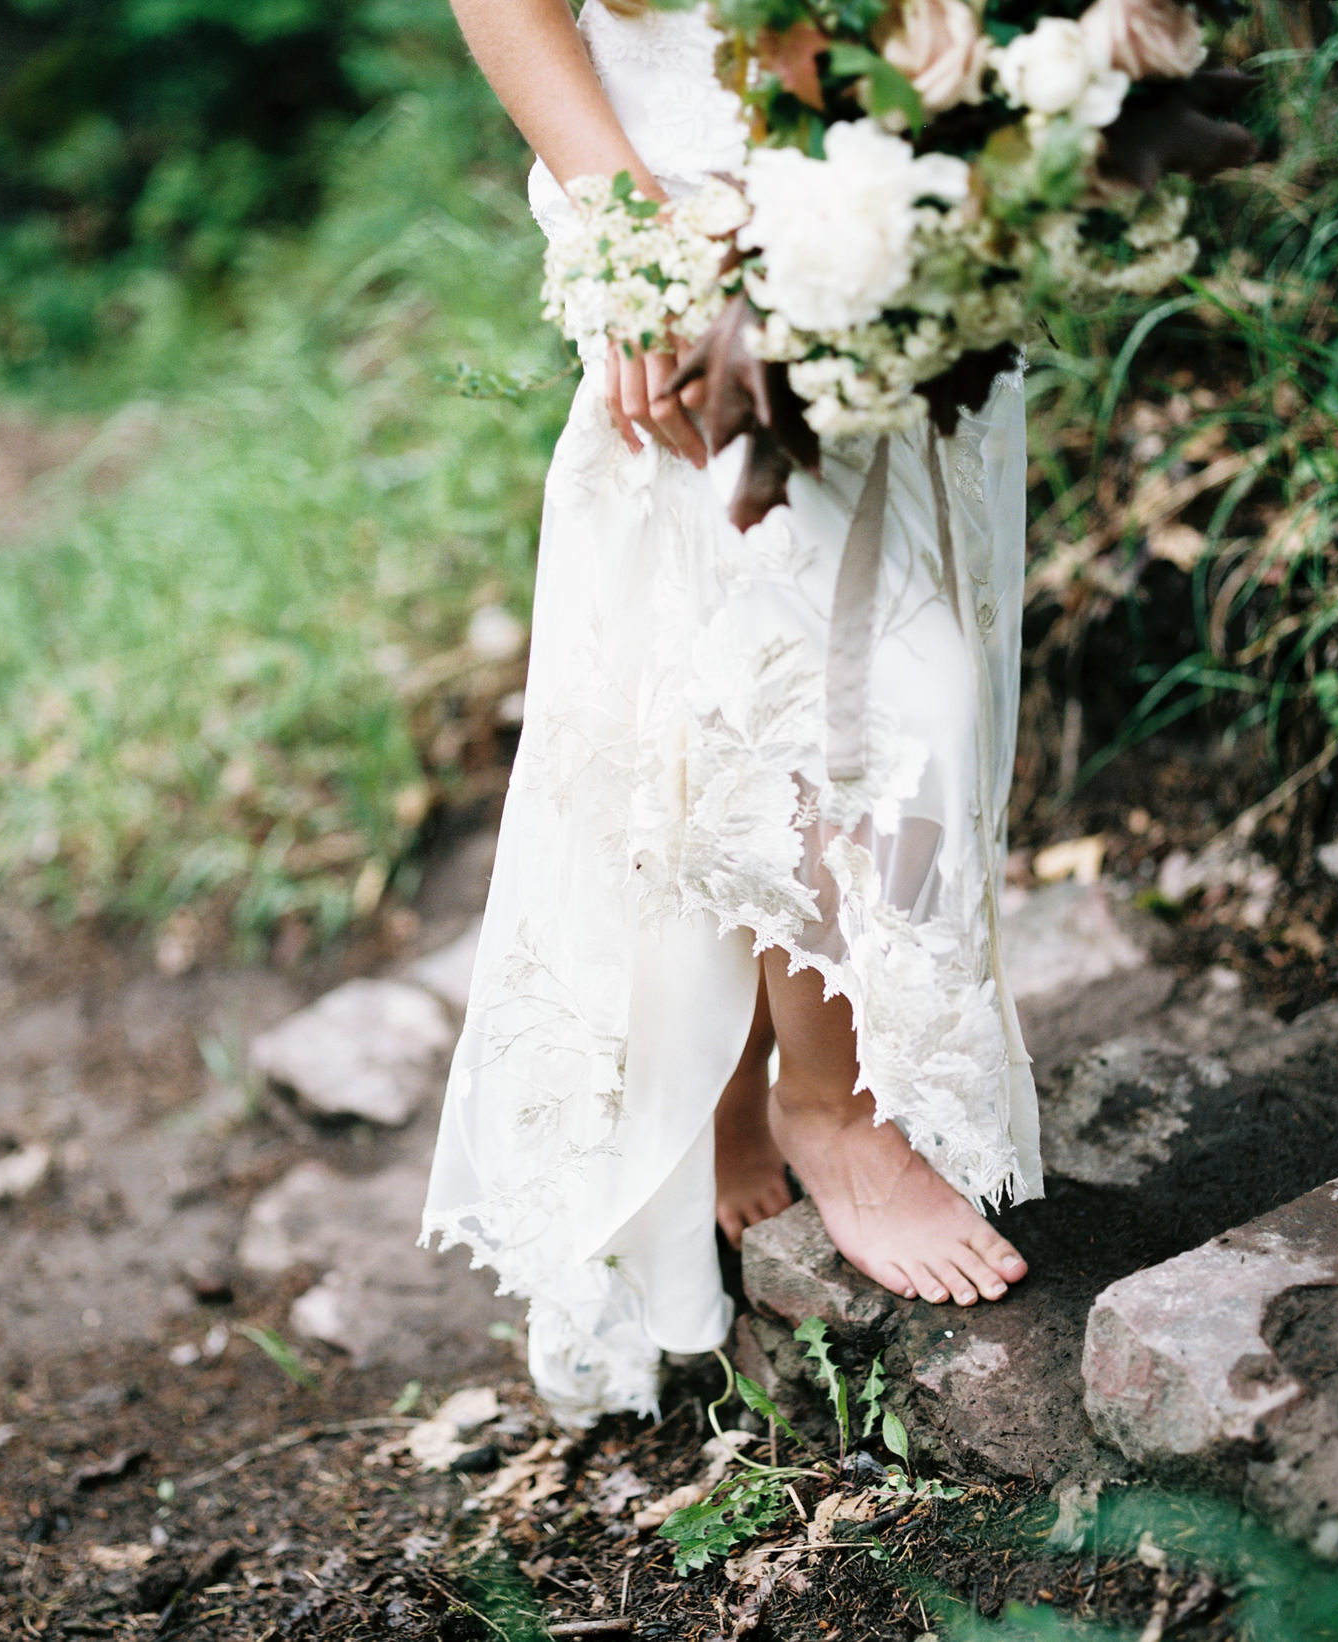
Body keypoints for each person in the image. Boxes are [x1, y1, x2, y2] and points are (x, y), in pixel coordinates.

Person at [422, 0, 1042, 1428]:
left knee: (740, 663)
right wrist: (632, 237)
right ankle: (828, 1101)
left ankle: (736, 1073)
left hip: (896, 191)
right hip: (677, 202)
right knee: (841, 688)